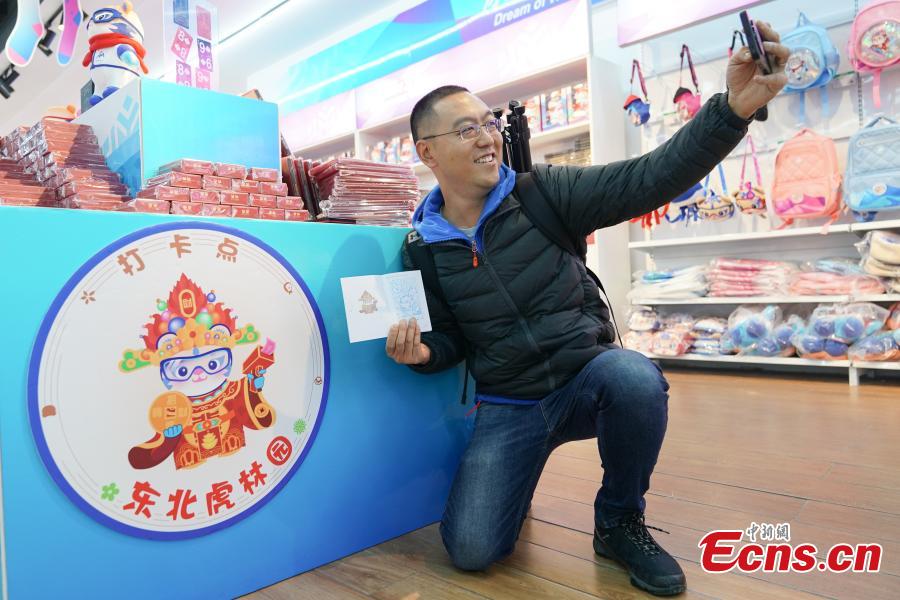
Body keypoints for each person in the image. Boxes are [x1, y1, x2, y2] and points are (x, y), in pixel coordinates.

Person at [385, 22, 789, 597]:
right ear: (426, 152)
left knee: (633, 377)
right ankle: (514, 484)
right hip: (510, 402)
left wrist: (732, 110)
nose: (487, 139)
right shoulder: (422, 248)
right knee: (471, 550)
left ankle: (619, 520)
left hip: (586, 379)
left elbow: (651, 177)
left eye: (489, 123)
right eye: (466, 129)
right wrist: (424, 354)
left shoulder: (543, 192)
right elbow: (450, 338)